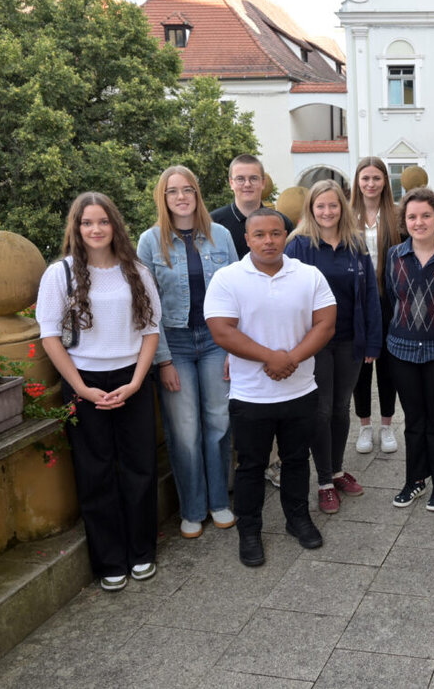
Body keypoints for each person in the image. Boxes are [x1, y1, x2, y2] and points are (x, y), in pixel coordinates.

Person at [37, 192, 162, 592]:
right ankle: (110, 560)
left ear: (115, 226)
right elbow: (50, 334)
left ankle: (141, 551)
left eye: (102, 222)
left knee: (140, 468)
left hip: (132, 379)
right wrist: (81, 389)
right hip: (84, 381)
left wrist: (138, 381)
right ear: (76, 228)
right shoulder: (61, 274)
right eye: (87, 223)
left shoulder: (136, 270)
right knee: (95, 473)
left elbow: (151, 329)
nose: (95, 229)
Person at [204, 209, 336, 565]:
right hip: (251, 395)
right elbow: (221, 329)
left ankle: (298, 519)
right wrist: (271, 358)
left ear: (285, 237)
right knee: (250, 466)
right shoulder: (228, 278)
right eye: (259, 234)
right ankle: (249, 531)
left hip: (300, 390)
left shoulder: (308, 275)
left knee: (296, 460)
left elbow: (324, 324)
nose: (268, 241)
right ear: (246, 239)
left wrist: (289, 359)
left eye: (276, 233)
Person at [137, 166, 239, 540]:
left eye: (187, 190)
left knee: (218, 422)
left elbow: (236, 293)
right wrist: (162, 359)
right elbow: (146, 307)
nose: (181, 197)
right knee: (184, 430)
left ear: (197, 194)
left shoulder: (221, 235)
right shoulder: (150, 242)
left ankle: (219, 502)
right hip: (175, 345)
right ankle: (193, 509)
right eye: (172, 191)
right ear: (162, 198)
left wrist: (234, 348)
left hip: (215, 342)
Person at [284, 180, 381, 515]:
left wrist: (371, 340)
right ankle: (324, 481)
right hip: (314, 343)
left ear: (342, 208)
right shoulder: (297, 246)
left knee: (341, 408)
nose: (327, 212)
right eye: (320, 206)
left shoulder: (356, 244)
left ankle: (337, 470)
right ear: (311, 209)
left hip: (349, 340)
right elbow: (282, 294)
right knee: (321, 410)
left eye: (333, 205)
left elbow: (369, 295)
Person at [385, 187, 434, 511]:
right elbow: (393, 298)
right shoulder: (393, 256)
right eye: (412, 216)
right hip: (402, 350)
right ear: (405, 221)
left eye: (426, 216)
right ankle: (415, 479)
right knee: (413, 420)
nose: (419, 222)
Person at [349, 157, 401, 455]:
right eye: (365, 178)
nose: (370, 184)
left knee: (388, 367)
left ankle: (387, 425)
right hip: (357, 301)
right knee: (361, 367)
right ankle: (365, 426)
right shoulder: (346, 214)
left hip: (389, 299)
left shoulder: (396, 215)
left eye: (376, 178)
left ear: (385, 182)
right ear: (358, 181)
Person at [210, 153, 294, 260]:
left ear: (263, 182)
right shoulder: (214, 223)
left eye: (253, 178)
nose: (247, 184)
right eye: (240, 179)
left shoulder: (282, 222)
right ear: (231, 183)